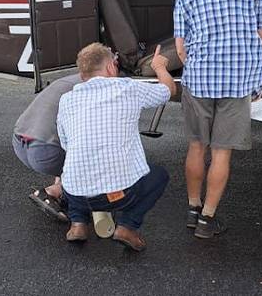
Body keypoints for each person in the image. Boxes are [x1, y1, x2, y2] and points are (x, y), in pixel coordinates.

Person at [173, 0, 262, 239]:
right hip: (238, 82)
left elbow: (180, 45)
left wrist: (196, 69)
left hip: (199, 80)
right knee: (221, 153)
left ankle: (192, 208)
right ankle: (207, 220)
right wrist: (258, 79)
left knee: (196, 146)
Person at [57, 43, 176, 251]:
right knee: (159, 176)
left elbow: (66, 144)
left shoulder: (67, 100)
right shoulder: (127, 88)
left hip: (76, 195)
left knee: (74, 169)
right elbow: (168, 90)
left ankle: (78, 223)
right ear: (111, 67)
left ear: (82, 73)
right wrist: (159, 68)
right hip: (119, 194)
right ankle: (127, 226)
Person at [13, 73, 82, 221]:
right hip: (45, 151)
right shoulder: (96, 88)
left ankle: (62, 188)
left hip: (19, 142)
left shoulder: (67, 80)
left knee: (63, 136)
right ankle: (55, 192)